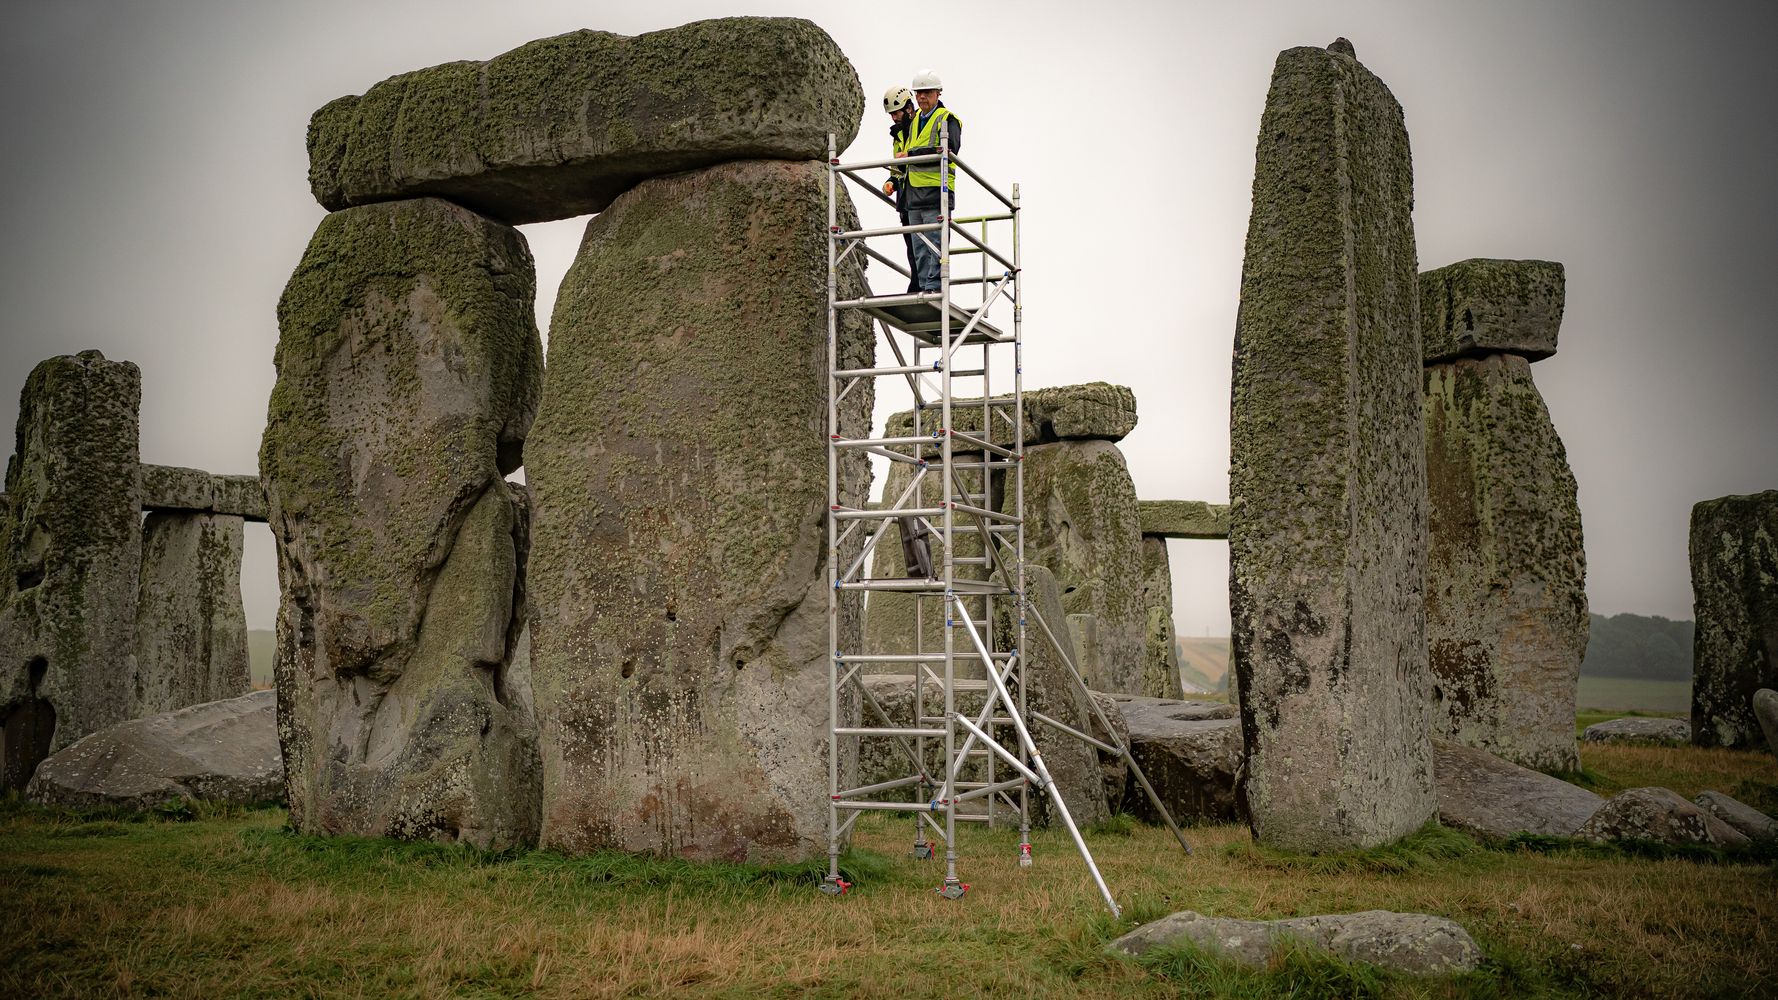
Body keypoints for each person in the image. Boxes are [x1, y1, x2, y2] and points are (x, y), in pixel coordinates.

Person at [897, 69, 962, 295]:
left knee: (935, 242)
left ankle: (934, 289)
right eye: (919, 93)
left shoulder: (947, 118)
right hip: (915, 192)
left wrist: (912, 156)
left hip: (937, 190)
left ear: (937, 93)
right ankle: (924, 287)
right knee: (919, 246)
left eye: (927, 92)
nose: (922, 97)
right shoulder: (914, 122)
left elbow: (948, 149)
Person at [880, 86, 919, 293]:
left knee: (923, 243)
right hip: (906, 196)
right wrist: (891, 182)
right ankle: (916, 282)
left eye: (897, 112)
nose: (894, 118)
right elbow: (898, 167)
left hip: (920, 193)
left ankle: (924, 284)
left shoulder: (918, 127)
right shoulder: (898, 135)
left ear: (908, 108)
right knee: (911, 245)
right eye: (892, 114)